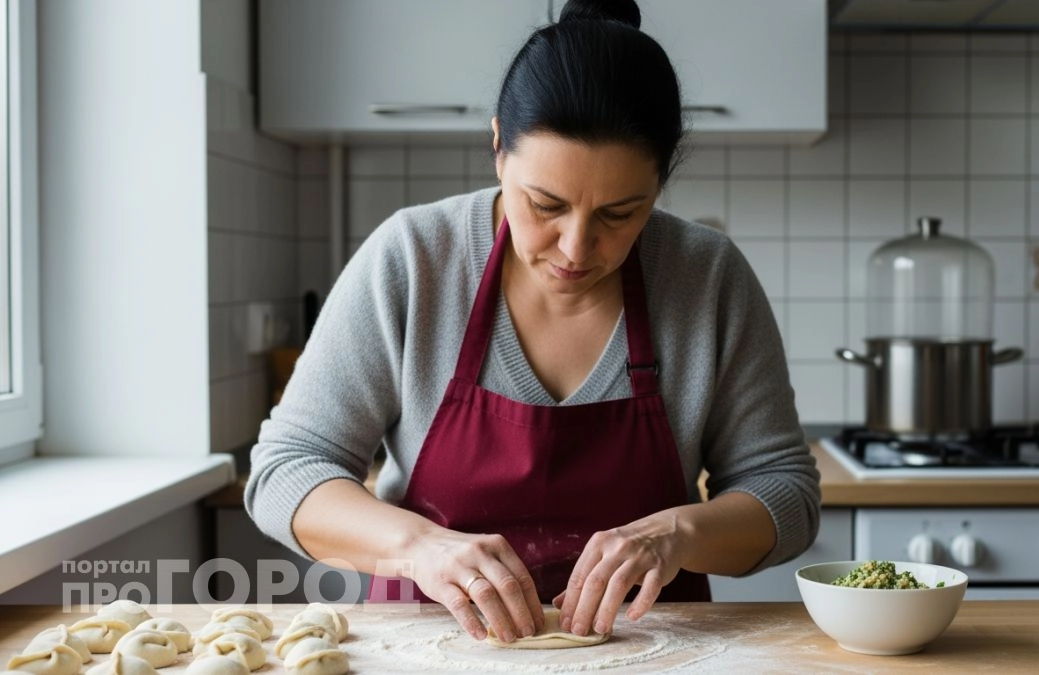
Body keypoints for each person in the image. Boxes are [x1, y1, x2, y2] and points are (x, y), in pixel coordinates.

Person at [245, 0, 820, 645]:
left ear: (660, 185)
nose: (576, 247)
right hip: (429, 649)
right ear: (497, 147)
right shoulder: (413, 258)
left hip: (657, 651)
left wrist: (679, 534)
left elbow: (787, 496)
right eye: (545, 204)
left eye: (619, 214)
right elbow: (286, 472)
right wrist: (419, 547)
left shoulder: (706, 275)